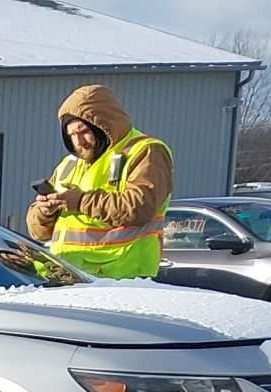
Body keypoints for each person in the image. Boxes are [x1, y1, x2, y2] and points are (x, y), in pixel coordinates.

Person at [25, 84, 172, 278]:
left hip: (122, 278)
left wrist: (79, 201)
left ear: (104, 125)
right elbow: (38, 233)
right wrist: (44, 212)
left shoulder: (145, 151)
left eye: (83, 131)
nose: (79, 142)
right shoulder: (70, 164)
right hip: (68, 275)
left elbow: (139, 207)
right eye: (71, 135)